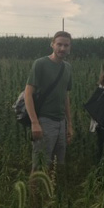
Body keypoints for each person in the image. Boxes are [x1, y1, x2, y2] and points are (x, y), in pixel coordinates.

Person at [24, 31, 73, 171]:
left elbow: (65, 97)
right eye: (59, 44)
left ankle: (51, 192)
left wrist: (69, 125)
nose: (62, 48)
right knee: (40, 164)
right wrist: (35, 123)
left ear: (70, 48)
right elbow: (28, 94)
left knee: (58, 163)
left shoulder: (68, 68)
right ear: (52, 44)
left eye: (66, 45)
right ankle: (34, 193)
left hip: (61, 122)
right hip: (44, 121)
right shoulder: (40, 64)